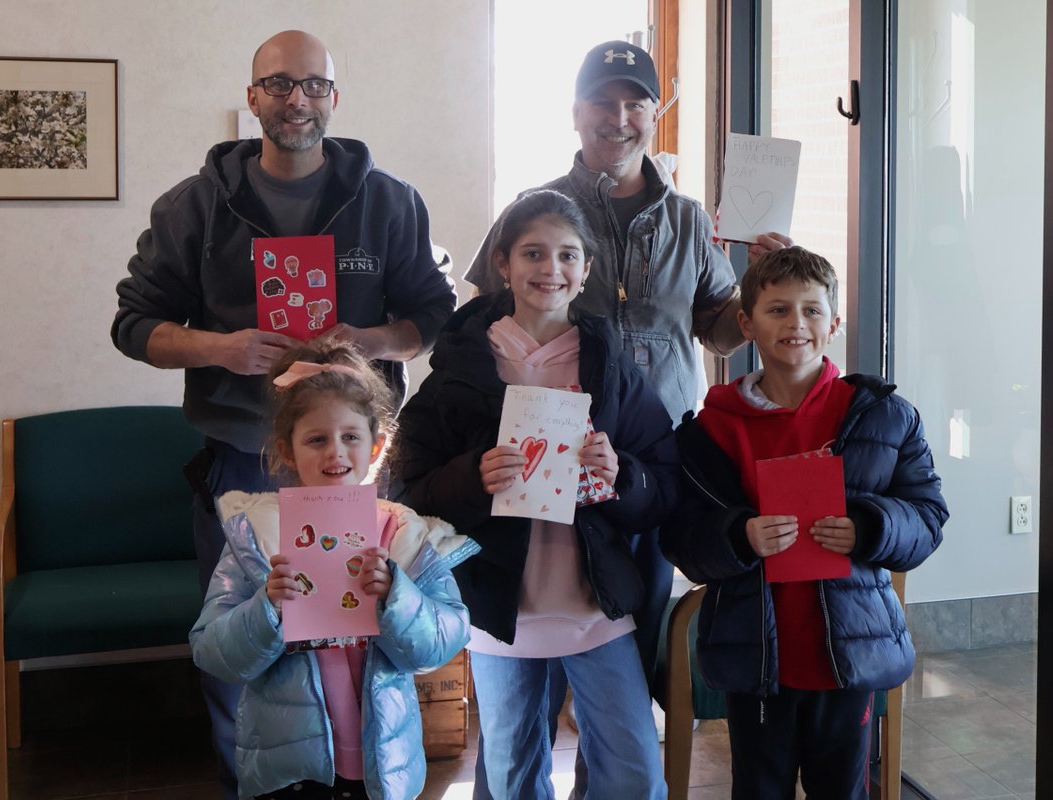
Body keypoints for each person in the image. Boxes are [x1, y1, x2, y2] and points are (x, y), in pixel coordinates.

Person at [110, 30, 456, 797]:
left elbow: (432, 316)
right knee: (247, 634)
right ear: (252, 96)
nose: (295, 99)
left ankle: (364, 778)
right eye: (278, 84)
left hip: (357, 458)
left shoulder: (390, 202)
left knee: (366, 633)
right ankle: (256, 783)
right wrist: (220, 348)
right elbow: (134, 327)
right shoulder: (192, 207)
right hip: (242, 453)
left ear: (334, 97)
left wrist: (370, 341)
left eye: (312, 85)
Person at [465, 42, 789, 756]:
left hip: (653, 463)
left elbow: (716, 331)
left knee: (632, 632)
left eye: (634, 101)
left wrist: (760, 284)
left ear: (654, 113)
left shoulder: (689, 219)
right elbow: (480, 320)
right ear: (576, 113)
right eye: (602, 102)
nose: (618, 117)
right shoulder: (538, 210)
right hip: (547, 463)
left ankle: (607, 773)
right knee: (536, 649)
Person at [391, 190, 674, 800]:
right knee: (512, 771)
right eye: (533, 253)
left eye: (568, 255)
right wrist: (472, 476)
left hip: (595, 603)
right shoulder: (465, 366)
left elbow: (661, 476)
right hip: (500, 604)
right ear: (503, 263)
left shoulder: (612, 365)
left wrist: (621, 473)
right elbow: (405, 485)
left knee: (634, 771)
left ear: (587, 270)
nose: (551, 269)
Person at [660, 247, 948, 799]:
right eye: (777, 310)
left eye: (813, 311)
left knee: (842, 790)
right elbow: (681, 537)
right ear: (746, 323)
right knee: (759, 789)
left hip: (849, 654)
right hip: (754, 658)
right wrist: (738, 536)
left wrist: (871, 527)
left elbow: (928, 516)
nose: (797, 324)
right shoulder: (708, 432)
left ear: (834, 324)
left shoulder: (883, 415)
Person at [189, 338, 476, 800]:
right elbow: (213, 651)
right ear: (288, 450)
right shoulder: (256, 539)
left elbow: (442, 642)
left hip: (381, 764)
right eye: (317, 439)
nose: (335, 453)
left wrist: (396, 597)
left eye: (350, 437)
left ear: (376, 445)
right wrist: (268, 606)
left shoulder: (405, 537)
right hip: (292, 770)